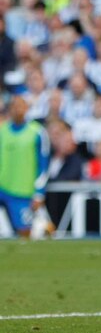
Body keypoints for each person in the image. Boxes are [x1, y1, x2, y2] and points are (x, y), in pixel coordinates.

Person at [0, 95, 50, 238]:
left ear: (27, 108)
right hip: (2, 186)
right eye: (14, 106)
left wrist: (39, 192)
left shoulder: (37, 132)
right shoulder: (2, 131)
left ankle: (46, 229)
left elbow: (43, 165)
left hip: (22, 191)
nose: (17, 110)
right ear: (9, 110)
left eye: (21, 106)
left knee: (24, 233)